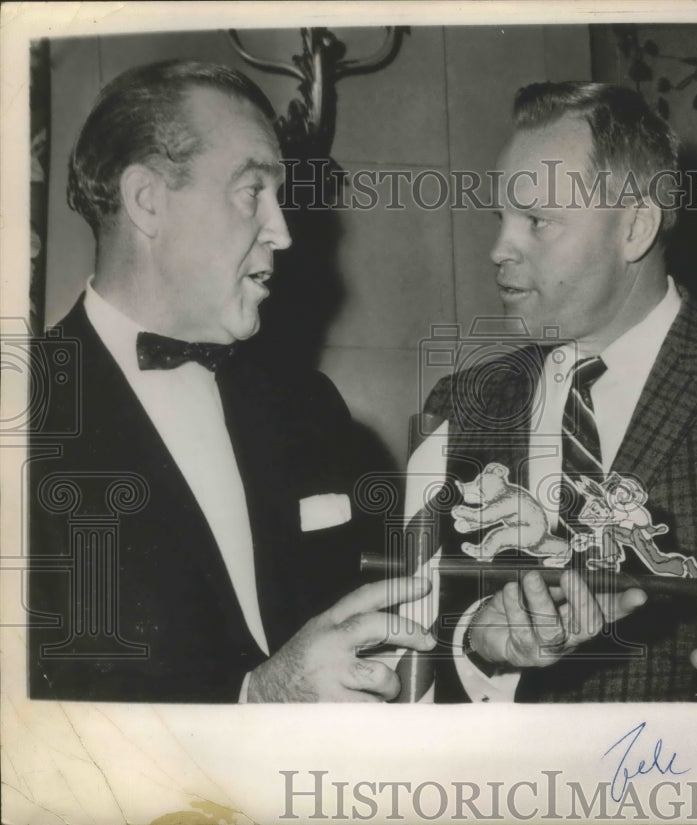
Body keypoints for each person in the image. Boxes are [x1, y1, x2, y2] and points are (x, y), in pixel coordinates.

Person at [28, 60, 433, 703]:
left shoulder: (309, 408)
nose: (283, 231)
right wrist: (255, 700)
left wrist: (481, 644)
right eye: (252, 192)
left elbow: (364, 639)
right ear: (147, 201)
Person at [422, 81, 697, 703]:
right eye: (501, 220)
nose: (499, 250)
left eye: (537, 221)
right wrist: (477, 651)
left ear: (636, 227)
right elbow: (416, 637)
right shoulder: (462, 407)